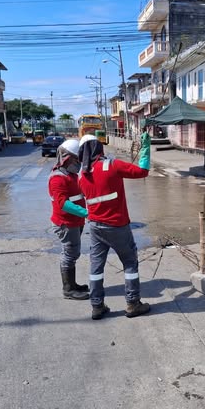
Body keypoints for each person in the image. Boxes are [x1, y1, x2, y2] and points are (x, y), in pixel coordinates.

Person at [77, 134, 151, 320]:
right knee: (130, 263)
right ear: (98, 148)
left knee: (96, 267)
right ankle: (133, 303)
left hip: (95, 227)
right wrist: (145, 148)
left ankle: (97, 306)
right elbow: (142, 171)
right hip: (117, 225)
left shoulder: (81, 175)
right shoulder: (112, 165)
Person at [48, 139, 90, 300]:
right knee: (69, 254)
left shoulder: (71, 175)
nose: (79, 163)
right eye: (76, 160)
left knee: (73, 253)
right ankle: (68, 289)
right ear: (67, 158)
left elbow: (79, 193)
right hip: (66, 223)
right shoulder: (57, 178)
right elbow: (63, 203)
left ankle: (72, 284)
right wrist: (86, 213)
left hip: (75, 221)